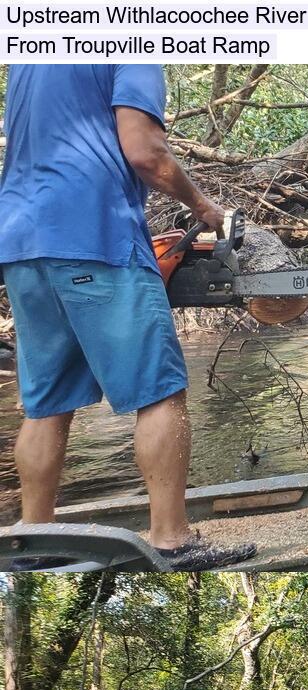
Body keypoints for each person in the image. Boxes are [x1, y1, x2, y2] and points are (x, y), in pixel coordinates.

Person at [0, 64, 255, 570]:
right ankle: (172, 540)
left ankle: (34, 538)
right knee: (160, 392)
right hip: (95, 236)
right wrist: (204, 207)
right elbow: (145, 153)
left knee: (46, 403)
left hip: (22, 243)